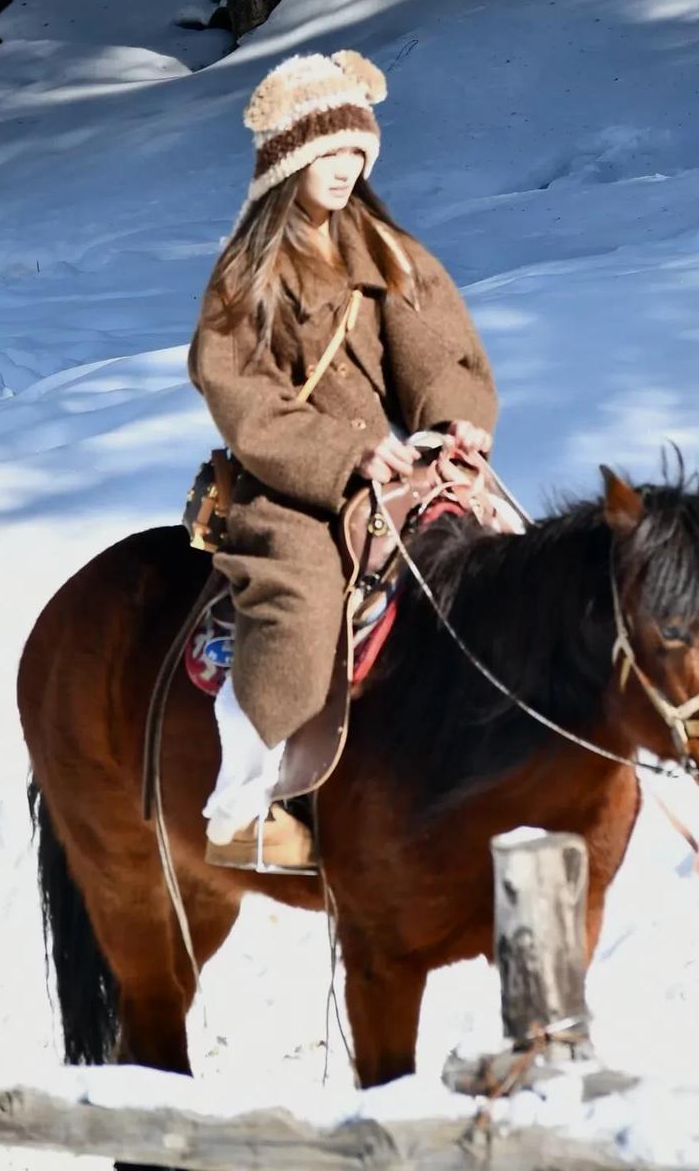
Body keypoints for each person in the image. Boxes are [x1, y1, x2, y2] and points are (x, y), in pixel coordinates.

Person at [187, 47, 497, 871]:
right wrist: (345, 451)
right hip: (292, 487)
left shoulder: (391, 253)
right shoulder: (246, 275)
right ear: (287, 162)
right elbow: (241, 395)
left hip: (400, 467)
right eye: (326, 151)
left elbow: (435, 357)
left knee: (501, 556)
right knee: (302, 605)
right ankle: (243, 805)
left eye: (355, 151)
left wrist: (455, 424)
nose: (344, 167)